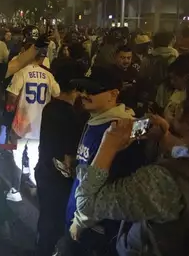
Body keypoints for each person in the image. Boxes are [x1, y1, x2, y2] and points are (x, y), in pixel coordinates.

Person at [73, 75, 189, 256]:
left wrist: (109, 144)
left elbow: (87, 205)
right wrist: (166, 138)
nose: (171, 108)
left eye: (177, 106)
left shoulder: (164, 180)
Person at [62, 65, 151, 256]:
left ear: (113, 94)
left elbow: (116, 184)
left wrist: (81, 221)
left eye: (92, 90)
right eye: (82, 89)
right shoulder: (95, 120)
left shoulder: (123, 130)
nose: (84, 94)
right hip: (81, 222)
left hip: (97, 230)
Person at [35, 58, 87, 256]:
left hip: (44, 170)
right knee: (56, 223)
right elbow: (68, 156)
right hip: (58, 179)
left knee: (46, 218)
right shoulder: (71, 115)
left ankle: (41, 248)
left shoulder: (51, 107)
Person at [5, 42, 60, 200]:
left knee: (17, 155)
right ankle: (35, 183)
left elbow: (12, 97)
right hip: (41, 122)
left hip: (22, 122)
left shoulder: (22, 72)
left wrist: (9, 111)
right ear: (42, 58)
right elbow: (58, 94)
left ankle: (15, 189)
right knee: (35, 154)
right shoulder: (49, 76)